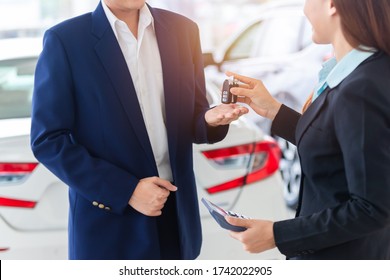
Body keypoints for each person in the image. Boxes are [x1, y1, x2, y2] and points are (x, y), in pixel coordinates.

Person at [30, 0, 248, 260]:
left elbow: (193, 118)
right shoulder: (65, 41)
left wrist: (210, 119)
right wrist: (126, 191)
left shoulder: (184, 30)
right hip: (110, 223)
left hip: (177, 219)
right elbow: (48, 140)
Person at [224, 0, 390, 259]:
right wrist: (274, 111)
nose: (304, 9)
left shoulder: (360, 87)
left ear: (333, 5)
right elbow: (338, 147)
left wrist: (277, 235)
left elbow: (372, 208)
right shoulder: (358, 73)